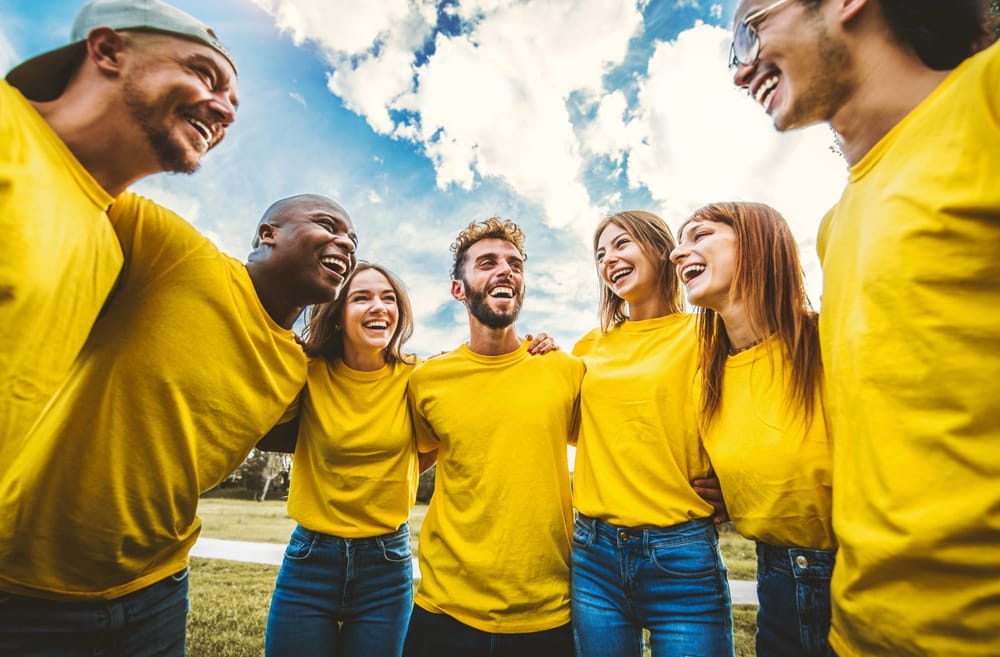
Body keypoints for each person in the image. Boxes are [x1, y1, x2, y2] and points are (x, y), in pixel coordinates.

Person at [730, 1, 998, 655]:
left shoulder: (987, 100)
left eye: (750, 29)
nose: (740, 72)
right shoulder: (837, 221)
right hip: (856, 632)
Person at [0, 193, 356, 656]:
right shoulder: (178, 255)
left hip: (157, 591)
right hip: (20, 585)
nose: (346, 243)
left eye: (353, 239)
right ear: (268, 234)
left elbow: (330, 434)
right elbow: (65, 186)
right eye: (329, 225)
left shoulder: (294, 371)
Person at [1, 0, 239, 459]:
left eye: (232, 102)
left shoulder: (108, 251)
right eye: (206, 76)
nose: (225, 113)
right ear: (108, 50)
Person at [403, 218, 583, 657]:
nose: (506, 270)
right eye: (487, 263)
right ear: (458, 290)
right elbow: (410, 458)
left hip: (547, 613)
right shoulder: (427, 380)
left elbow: (621, 444)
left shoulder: (565, 370)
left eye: (515, 264)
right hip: (444, 609)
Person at [670, 202, 835, 657]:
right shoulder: (710, 378)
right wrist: (741, 490)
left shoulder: (830, 341)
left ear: (759, 242)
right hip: (777, 578)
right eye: (680, 242)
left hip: (859, 576)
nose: (677, 254)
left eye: (699, 235)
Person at [570, 210, 733, 657]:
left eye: (622, 244)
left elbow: (746, 413)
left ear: (661, 248)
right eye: (601, 253)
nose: (609, 259)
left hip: (682, 555)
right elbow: (569, 424)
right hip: (593, 554)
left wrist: (738, 488)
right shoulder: (587, 346)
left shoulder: (708, 331)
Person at [260, 262, 421, 657]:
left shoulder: (417, 377)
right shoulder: (308, 372)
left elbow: (429, 451)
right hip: (310, 560)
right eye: (361, 297)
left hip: (386, 562)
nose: (378, 307)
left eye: (388, 298)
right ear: (336, 316)